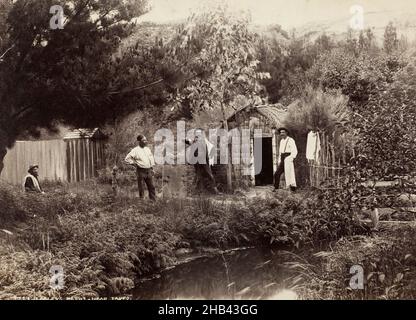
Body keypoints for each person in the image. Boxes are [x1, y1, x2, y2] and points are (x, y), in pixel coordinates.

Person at [185, 128, 220, 194]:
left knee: (210, 174)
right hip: (196, 161)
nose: (198, 134)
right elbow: (187, 141)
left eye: (199, 133)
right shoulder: (194, 141)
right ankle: (198, 191)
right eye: (197, 133)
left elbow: (210, 149)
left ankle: (215, 190)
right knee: (198, 175)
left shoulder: (204, 141)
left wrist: (209, 159)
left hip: (204, 161)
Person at [125, 135, 156, 201]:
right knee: (141, 188)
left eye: (146, 140)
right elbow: (127, 159)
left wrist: (152, 168)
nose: (145, 142)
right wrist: (134, 164)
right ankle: (142, 203)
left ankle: (153, 201)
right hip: (141, 171)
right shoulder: (135, 150)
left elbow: (151, 159)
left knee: (152, 187)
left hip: (149, 170)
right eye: (143, 140)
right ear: (139, 141)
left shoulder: (147, 149)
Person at [273, 127, 298, 192]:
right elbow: (281, 152)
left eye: (283, 132)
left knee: (290, 174)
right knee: (277, 173)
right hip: (282, 158)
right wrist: (279, 160)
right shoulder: (281, 141)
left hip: (288, 157)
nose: (282, 134)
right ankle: (276, 188)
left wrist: (290, 158)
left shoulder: (291, 140)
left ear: (286, 133)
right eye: (281, 132)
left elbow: (294, 151)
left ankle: (293, 190)